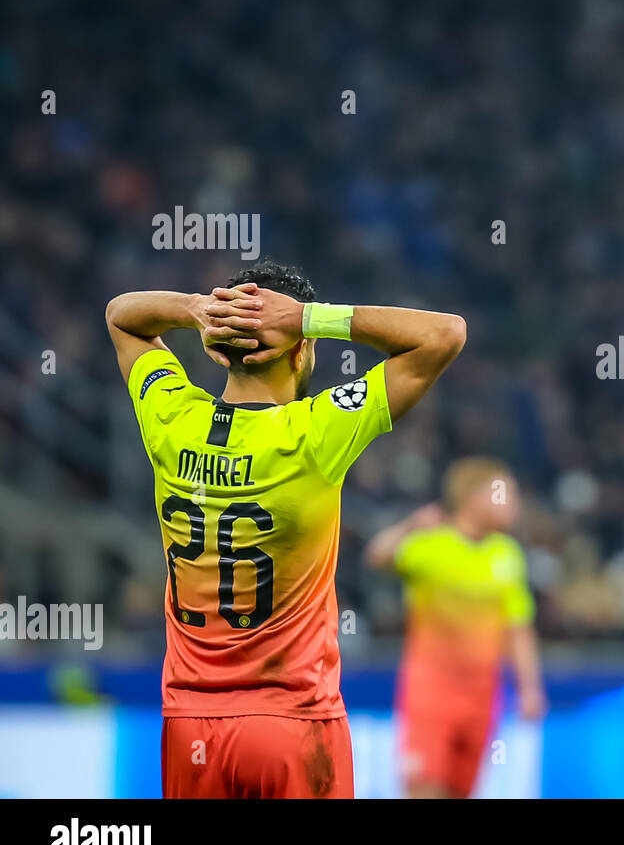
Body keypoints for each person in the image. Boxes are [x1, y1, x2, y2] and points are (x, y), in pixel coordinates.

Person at [105, 260, 466, 798]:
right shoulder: (317, 431)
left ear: (216, 346)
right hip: (293, 721)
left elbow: (121, 316)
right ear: (300, 349)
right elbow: (444, 333)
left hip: (190, 725)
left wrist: (198, 309)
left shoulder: (170, 418)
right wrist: (308, 317)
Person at [366, 458, 546, 798]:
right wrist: (410, 527)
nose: (515, 503)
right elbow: (377, 557)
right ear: (474, 497)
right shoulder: (432, 545)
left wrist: (530, 689)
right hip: (430, 693)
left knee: (460, 793)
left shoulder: (507, 555)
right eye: (506, 492)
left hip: (483, 697)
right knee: (424, 790)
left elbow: (517, 628)